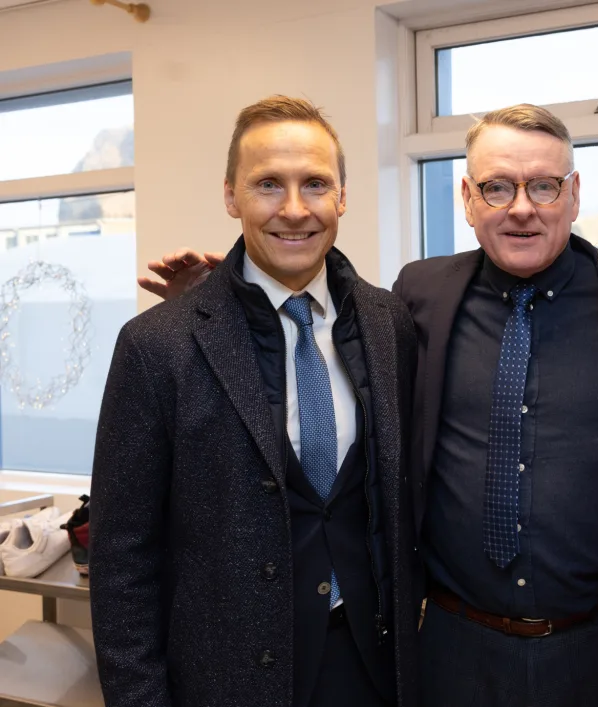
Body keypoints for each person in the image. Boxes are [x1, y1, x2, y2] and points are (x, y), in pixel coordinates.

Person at [140, 104, 598, 707]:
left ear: (573, 195)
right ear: (467, 198)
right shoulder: (417, 298)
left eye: (544, 186)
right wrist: (231, 309)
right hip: (447, 648)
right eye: (497, 187)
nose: (521, 208)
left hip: (595, 647)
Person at [90, 96, 419, 707]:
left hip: (372, 669)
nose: (294, 209)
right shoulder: (158, 344)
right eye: (268, 184)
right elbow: (122, 558)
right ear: (230, 197)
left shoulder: (387, 322)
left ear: (342, 196)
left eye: (315, 184)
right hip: (229, 679)